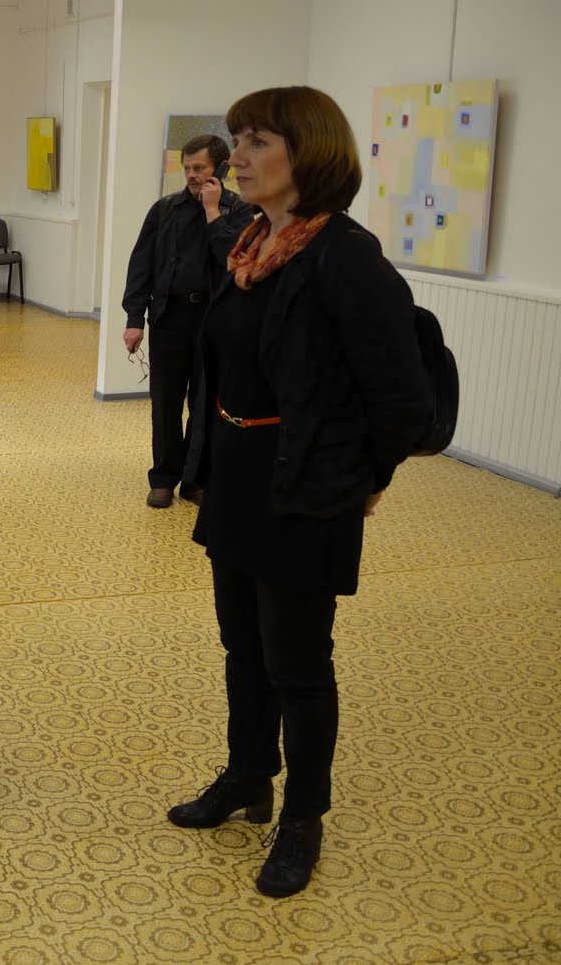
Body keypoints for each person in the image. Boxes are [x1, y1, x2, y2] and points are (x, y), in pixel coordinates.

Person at [168, 86, 431, 897]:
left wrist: (366, 479)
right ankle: (249, 774)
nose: (237, 158)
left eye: (257, 142)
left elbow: (403, 400)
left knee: (299, 665)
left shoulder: (345, 258)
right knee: (242, 645)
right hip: (238, 477)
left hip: (305, 487)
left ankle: (302, 819)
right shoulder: (251, 244)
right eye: (237, 140)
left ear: (307, 152)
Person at [122, 135, 255, 509]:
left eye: (200, 168)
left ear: (221, 169)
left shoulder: (239, 211)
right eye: (187, 168)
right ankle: (164, 477)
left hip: (215, 321)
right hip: (170, 317)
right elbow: (141, 265)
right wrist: (134, 319)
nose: (192, 175)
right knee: (165, 401)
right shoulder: (164, 210)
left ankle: (195, 480)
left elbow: (234, 258)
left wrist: (213, 211)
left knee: (205, 402)